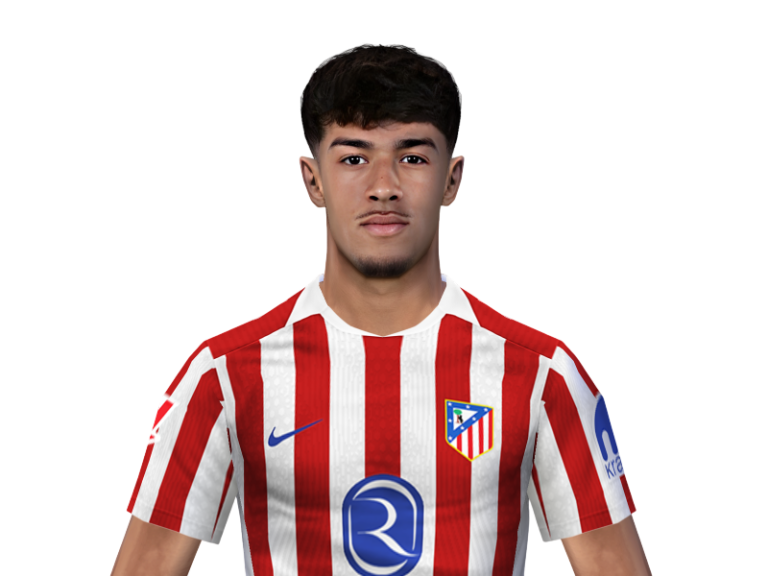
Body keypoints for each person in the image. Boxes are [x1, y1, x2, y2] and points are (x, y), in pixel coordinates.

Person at [112, 42, 652, 576]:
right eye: (354, 158)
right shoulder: (222, 374)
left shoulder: (543, 373)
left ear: (453, 179)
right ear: (312, 180)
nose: (384, 187)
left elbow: (613, 565)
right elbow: (148, 565)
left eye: (412, 158)